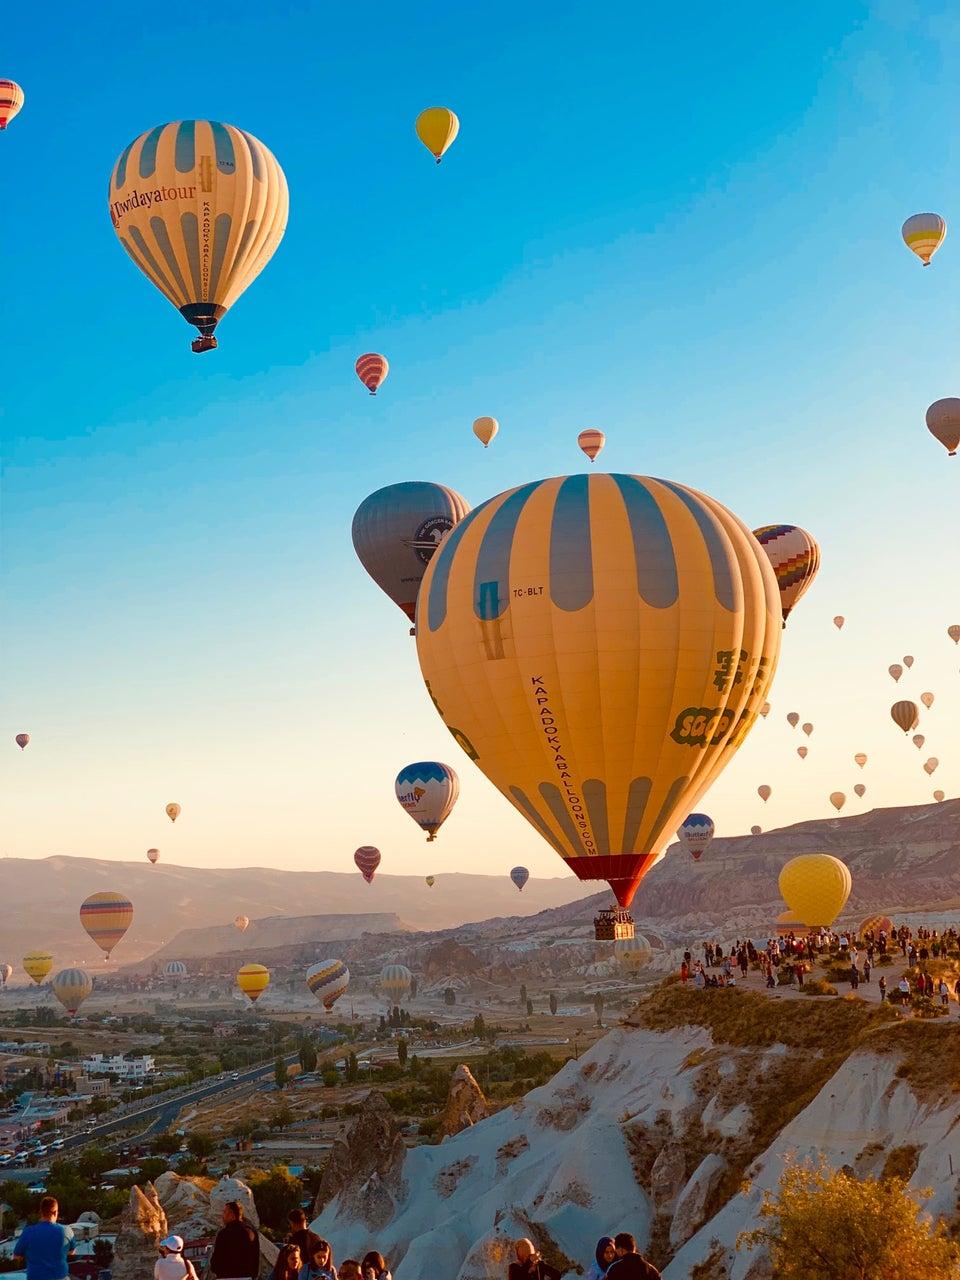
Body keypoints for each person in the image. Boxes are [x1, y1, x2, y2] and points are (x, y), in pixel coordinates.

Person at [13, 1197, 75, 1280]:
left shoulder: (28, 1232)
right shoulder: (67, 1230)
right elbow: (72, 1252)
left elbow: (16, 1256)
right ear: (55, 1212)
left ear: (41, 1212)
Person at [210, 1201, 260, 1280]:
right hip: (246, 1277)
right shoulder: (250, 1232)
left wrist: (215, 1269)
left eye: (224, 1212)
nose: (222, 1215)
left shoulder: (224, 1233)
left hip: (225, 1277)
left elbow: (217, 1257)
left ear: (231, 1214)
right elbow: (256, 1257)